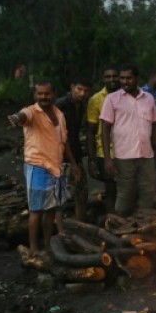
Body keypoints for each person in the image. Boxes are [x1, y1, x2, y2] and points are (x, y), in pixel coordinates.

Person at [8, 81, 82, 258]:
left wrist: (73, 164)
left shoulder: (59, 114)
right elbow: (22, 116)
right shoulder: (32, 112)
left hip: (56, 167)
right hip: (38, 166)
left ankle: (48, 246)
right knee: (36, 210)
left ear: (54, 94)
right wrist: (16, 118)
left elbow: (64, 143)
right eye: (40, 94)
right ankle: (34, 249)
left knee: (51, 209)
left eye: (47, 94)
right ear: (35, 96)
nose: (43, 97)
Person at [100, 65, 156, 216]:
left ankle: (142, 228)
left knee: (148, 190)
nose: (125, 81)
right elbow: (105, 129)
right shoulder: (112, 99)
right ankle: (119, 227)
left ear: (136, 78)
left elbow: (154, 127)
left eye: (129, 78)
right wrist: (107, 159)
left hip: (146, 154)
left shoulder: (148, 98)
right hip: (124, 155)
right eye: (122, 78)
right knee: (125, 192)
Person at [54, 77, 91, 220]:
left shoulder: (81, 105)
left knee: (82, 193)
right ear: (72, 87)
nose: (82, 93)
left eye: (86, 91)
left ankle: (79, 224)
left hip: (75, 154)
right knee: (60, 196)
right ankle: (61, 231)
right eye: (79, 89)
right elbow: (61, 137)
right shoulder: (61, 105)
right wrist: (73, 163)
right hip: (61, 157)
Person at [86, 65, 120, 211]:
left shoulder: (127, 95)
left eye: (114, 76)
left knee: (128, 189)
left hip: (128, 151)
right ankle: (113, 222)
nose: (111, 79)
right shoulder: (96, 100)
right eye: (108, 76)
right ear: (103, 78)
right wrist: (92, 159)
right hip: (106, 152)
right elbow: (90, 131)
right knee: (111, 190)